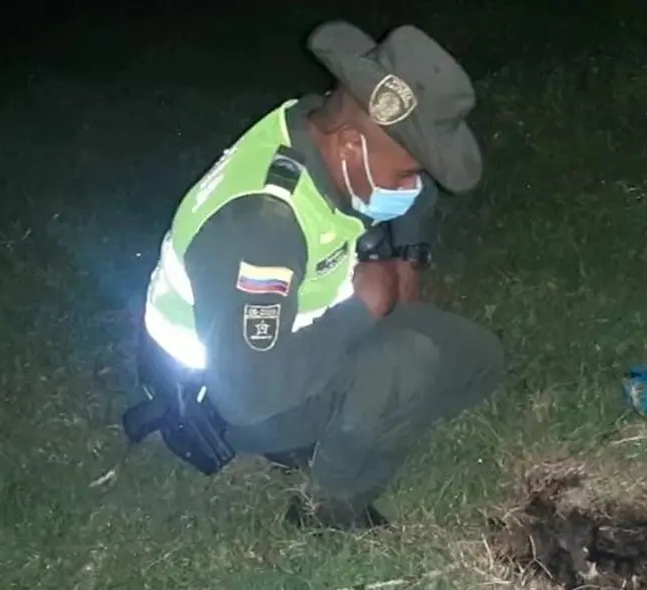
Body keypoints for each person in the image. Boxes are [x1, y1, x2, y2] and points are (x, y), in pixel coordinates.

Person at [124, 20, 504, 531]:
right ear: (351, 148)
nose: (412, 189)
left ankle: (344, 420)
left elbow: (413, 190)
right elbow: (247, 394)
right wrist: (361, 310)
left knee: (479, 362)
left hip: (295, 333)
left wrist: (410, 257)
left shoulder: (319, 126)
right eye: (407, 175)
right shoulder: (263, 226)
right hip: (221, 396)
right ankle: (328, 508)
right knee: (405, 363)